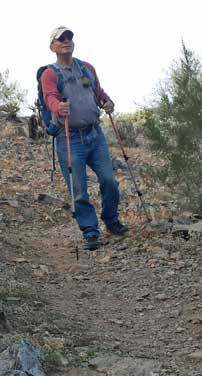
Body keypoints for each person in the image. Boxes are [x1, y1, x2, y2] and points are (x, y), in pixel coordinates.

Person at [41, 26, 128, 251]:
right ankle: (90, 230)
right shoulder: (49, 74)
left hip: (95, 134)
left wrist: (107, 102)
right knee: (78, 188)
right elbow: (49, 97)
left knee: (110, 181)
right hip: (69, 138)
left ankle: (111, 220)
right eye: (61, 39)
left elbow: (97, 92)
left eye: (69, 38)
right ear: (52, 47)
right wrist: (57, 107)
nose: (66, 41)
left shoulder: (86, 68)